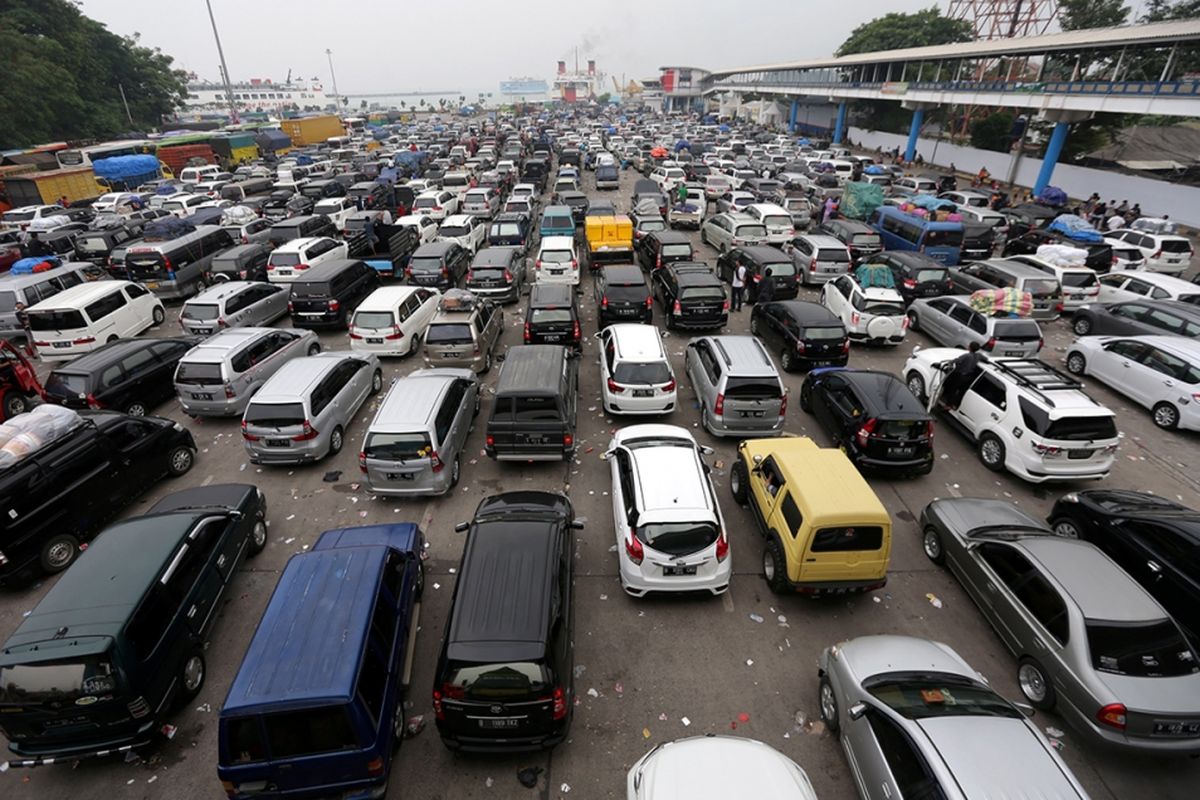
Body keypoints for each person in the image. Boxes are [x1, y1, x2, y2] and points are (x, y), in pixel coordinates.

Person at [941, 342, 986, 409]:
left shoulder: (967, 355)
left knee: (952, 389)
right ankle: (955, 405)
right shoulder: (978, 355)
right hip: (969, 377)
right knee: (961, 392)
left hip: (960, 376)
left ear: (969, 347)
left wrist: (950, 362)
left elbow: (956, 360)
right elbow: (986, 359)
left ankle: (948, 405)